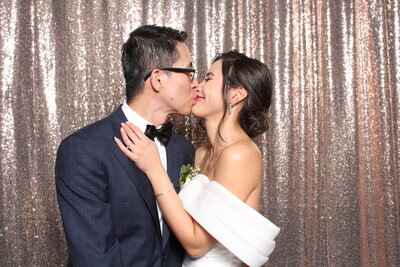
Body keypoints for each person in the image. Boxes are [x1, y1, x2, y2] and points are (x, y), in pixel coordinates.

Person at [115, 50, 280, 266]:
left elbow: (196, 245)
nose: (197, 86)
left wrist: (154, 168)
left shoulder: (240, 154)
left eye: (209, 78)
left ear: (236, 95)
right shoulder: (200, 152)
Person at [55, 25, 198, 266]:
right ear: (158, 78)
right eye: (189, 72)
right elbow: (94, 257)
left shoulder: (184, 150)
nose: (196, 83)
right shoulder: (83, 149)